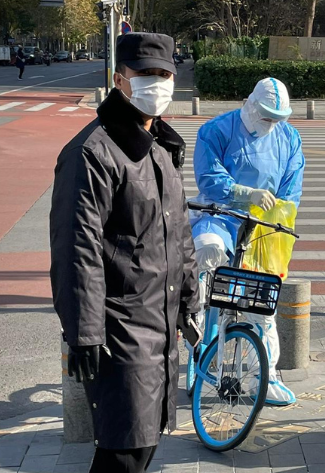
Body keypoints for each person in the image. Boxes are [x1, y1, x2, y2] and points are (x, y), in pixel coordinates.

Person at [50, 32, 199, 473]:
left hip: (159, 318)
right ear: (119, 79)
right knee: (125, 448)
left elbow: (177, 230)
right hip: (120, 327)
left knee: (143, 440)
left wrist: (189, 297)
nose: (157, 84)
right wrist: (84, 332)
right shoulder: (92, 152)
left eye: (164, 75)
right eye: (145, 75)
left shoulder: (161, 147)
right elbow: (77, 249)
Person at [191, 77, 305, 406]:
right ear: (251, 105)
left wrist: (278, 219)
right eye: (267, 115)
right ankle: (196, 315)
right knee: (209, 251)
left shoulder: (289, 138)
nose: (272, 123)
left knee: (261, 303)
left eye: (278, 117)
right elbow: (209, 178)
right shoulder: (217, 130)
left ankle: (264, 377)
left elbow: (290, 189)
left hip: (263, 227)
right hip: (220, 215)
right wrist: (242, 193)